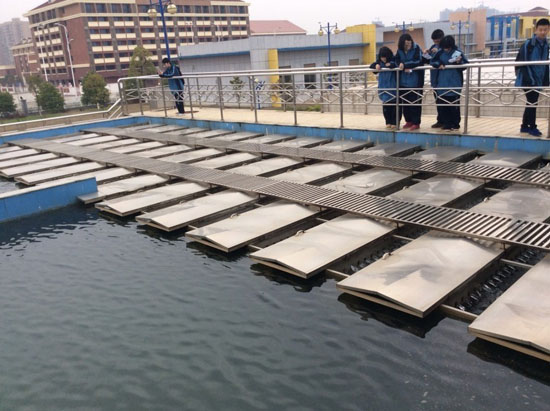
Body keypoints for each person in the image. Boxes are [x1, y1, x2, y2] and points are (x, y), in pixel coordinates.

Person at [515, 18, 549, 137]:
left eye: (545, 30)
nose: (543, 32)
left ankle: (524, 126)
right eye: (541, 30)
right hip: (528, 79)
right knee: (532, 102)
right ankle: (532, 127)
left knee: (531, 102)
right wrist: (530, 79)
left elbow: (545, 64)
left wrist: (545, 80)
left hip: (538, 79)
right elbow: (523, 63)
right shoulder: (529, 44)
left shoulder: (546, 45)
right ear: (536, 30)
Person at [430, 35, 469, 131]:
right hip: (442, 82)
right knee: (443, 104)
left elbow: (465, 65)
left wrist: (459, 62)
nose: (446, 49)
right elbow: (432, 61)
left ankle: (455, 124)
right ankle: (447, 124)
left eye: (448, 48)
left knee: (454, 104)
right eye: (445, 47)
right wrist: (439, 64)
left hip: (454, 82)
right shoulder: (440, 52)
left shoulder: (458, 52)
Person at [395, 33, 424, 131]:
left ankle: (416, 122)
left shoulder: (416, 48)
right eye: (406, 44)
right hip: (403, 81)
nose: (408, 46)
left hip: (415, 81)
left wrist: (406, 65)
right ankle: (409, 120)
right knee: (405, 103)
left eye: (409, 43)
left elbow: (419, 61)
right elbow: (396, 61)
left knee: (414, 102)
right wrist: (400, 65)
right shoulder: (399, 51)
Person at [370, 47, 400, 129]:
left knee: (394, 106)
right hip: (383, 88)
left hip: (392, 87)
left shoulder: (393, 60)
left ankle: (395, 122)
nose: (383, 59)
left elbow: (396, 64)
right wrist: (376, 65)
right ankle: (388, 121)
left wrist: (390, 65)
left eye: (385, 57)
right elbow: (372, 66)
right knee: (386, 107)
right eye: (382, 57)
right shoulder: (379, 63)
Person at [424, 29, 445, 128]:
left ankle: (448, 121)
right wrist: (426, 53)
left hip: (443, 78)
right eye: (434, 41)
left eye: (437, 40)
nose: (436, 42)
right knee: (438, 100)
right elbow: (429, 60)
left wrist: (439, 52)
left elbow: (446, 59)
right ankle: (440, 120)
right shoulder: (433, 47)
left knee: (445, 101)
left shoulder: (446, 47)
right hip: (434, 78)